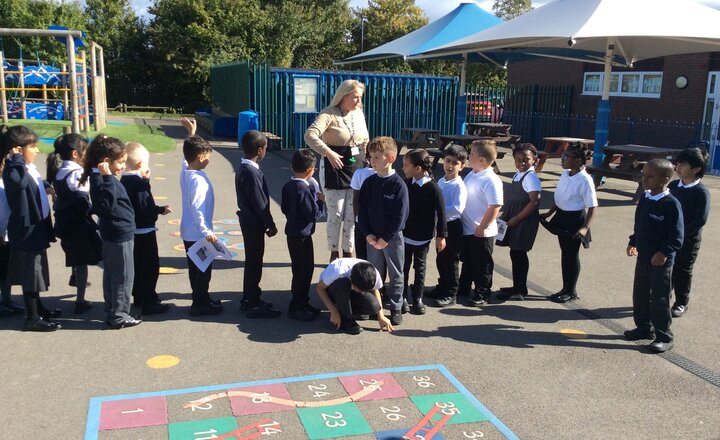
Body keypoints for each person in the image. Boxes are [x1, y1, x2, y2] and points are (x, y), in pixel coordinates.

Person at [305, 79, 370, 262]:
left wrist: (367, 160)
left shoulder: (358, 113)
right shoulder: (329, 113)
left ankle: (348, 251)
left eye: (360, 97)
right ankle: (334, 253)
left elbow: (365, 139)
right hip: (335, 167)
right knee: (336, 214)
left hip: (356, 166)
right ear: (343, 96)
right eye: (355, 97)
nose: (358, 101)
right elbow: (310, 135)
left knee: (352, 213)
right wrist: (328, 153)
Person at [80, 135, 141, 329]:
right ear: (106, 162)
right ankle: (119, 315)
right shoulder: (101, 178)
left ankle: (112, 309)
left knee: (112, 272)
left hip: (114, 232)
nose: (123, 166)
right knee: (123, 275)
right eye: (121, 162)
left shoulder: (98, 176)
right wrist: (107, 178)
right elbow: (107, 206)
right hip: (118, 233)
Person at [1, 125, 58, 331]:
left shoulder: (26, 167)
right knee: (30, 274)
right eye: (32, 147)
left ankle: (39, 309)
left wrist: (46, 186)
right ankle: (32, 318)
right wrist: (16, 159)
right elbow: (19, 184)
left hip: (37, 228)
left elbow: (34, 183)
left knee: (37, 272)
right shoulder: (13, 170)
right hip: (25, 231)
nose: (37, 150)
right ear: (18, 149)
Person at [625, 159, 684, 353]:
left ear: (664, 180)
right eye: (643, 175)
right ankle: (644, 328)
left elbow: (677, 236)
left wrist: (664, 252)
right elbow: (639, 224)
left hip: (661, 262)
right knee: (640, 294)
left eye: (649, 176)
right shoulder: (645, 198)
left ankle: (664, 336)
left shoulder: (671, 204)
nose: (644, 179)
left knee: (659, 298)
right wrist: (633, 241)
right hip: (643, 257)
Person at [47, 134, 101, 315]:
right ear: (75, 154)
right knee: (82, 261)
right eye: (85, 151)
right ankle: (80, 300)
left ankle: (74, 277)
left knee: (74, 255)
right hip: (78, 224)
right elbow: (82, 200)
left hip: (64, 222)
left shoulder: (59, 171)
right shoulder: (78, 173)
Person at [358, 136, 409, 326]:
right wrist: (368, 234)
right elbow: (362, 210)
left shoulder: (398, 185)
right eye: (371, 157)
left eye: (377, 157)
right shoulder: (369, 182)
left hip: (392, 238)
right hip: (372, 237)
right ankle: (375, 306)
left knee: (396, 273)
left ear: (391, 158)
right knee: (374, 272)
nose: (372, 161)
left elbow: (400, 216)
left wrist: (386, 238)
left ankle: (396, 307)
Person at [540, 142, 597, 303]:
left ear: (578, 160)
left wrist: (585, 228)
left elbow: (593, 207)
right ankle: (565, 288)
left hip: (575, 220)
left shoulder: (585, 180)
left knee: (571, 255)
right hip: (562, 216)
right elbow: (562, 197)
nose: (562, 158)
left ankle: (571, 291)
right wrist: (549, 213)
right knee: (565, 253)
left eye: (566, 156)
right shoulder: (566, 174)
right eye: (563, 155)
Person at [121, 142, 172, 316]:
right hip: (144, 230)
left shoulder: (124, 180)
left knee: (137, 266)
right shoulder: (139, 183)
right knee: (150, 267)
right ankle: (149, 301)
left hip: (132, 230)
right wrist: (160, 210)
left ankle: (139, 296)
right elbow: (145, 206)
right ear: (140, 164)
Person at [236, 130, 281, 319]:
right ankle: (253, 303)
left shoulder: (243, 168)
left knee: (252, 261)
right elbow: (260, 202)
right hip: (253, 222)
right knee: (254, 262)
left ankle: (250, 297)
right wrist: (270, 223)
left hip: (248, 220)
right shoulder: (252, 172)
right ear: (260, 150)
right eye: (266, 148)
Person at [180, 134, 223, 316]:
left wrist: (191, 134)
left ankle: (202, 298)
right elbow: (197, 208)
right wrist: (206, 231)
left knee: (196, 268)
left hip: (189, 231)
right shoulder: (197, 180)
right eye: (207, 158)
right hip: (198, 233)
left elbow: (185, 158)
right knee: (202, 270)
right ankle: (199, 304)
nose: (208, 161)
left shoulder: (186, 171)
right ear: (200, 157)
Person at [401, 149, 446, 315]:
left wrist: (441, 236)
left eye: (406, 165)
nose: (403, 168)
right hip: (405, 235)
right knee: (403, 266)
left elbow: (442, 213)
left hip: (423, 237)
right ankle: (402, 296)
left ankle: (417, 298)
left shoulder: (433, 188)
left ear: (418, 168)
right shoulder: (406, 183)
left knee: (420, 267)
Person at [459, 140, 503, 307]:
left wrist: (483, 226)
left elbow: (495, 205)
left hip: (481, 231)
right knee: (468, 261)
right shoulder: (473, 174)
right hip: (468, 228)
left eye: (471, 154)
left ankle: (483, 292)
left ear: (482, 159)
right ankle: (464, 287)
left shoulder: (491, 180)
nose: (468, 157)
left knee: (482, 264)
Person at [281, 149, 322, 321]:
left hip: (293, 233)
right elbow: (313, 214)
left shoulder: (288, 185)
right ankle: (297, 305)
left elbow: (284, 208)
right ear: (310, 169)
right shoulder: (303, 188)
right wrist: (320, 201)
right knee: (304, 271)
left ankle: (302, 302)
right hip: (302, 236)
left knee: (299, 270)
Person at [668, 147, 710, 318]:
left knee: (682, 269)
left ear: (696, 169)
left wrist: (681, 235)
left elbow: (700, 220)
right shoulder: (672, 186)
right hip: (669, 237)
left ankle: (681, 302)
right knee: (666, 268)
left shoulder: (701, 192)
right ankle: (662, 298)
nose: (678, 167)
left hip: (688, 240)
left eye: (683, 164)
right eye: (677, 163)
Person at [496, 143, 541, 301]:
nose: (521, 162)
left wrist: (517, 218)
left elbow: (534, 202)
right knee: (514, 252)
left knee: (519, 253)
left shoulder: (531, 177)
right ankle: (517, 285)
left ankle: (521, 289)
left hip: (523, 220)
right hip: (513, 217)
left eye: (526, 159)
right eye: (518, 159)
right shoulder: (518, 174)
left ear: (534, 160)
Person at [315, 258, 394, 335]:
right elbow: (320, 288)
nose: (361, 292)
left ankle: (347, 310)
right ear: (352, 279)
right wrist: (333, 311)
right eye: (359, 290)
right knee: (343, 283)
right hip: (333, 288)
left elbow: (375, 290)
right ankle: (346, 319)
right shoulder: (337, 271)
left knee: (374, 306)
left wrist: (381, 316)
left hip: (350, 289)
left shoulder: (373, 273)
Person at [431, 145, 467, 307]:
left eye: (455, 163)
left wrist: (438, 210)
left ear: (462, 166)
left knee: (451, 261)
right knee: (441, 259)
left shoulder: (459, 185)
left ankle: (451, 293)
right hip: (441, 226)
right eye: (447, 161)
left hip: (452, 227)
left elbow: (458, 208)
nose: (450, 165)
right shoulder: (441, 181)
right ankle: (442, 286)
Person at [0, 155, 24, 318]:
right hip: (1, 232)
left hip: (7, 232)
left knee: (5, 269)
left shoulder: (4, 179)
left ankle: (7, 299)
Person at [350, 150, 375, 261]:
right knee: (371, 258)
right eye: (374, 157)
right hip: (368, 222)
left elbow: (355, 199)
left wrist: (357, 219)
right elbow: (356, 200)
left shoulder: (359, 173)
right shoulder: (360, 173)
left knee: (363, 257)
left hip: (364, 221)